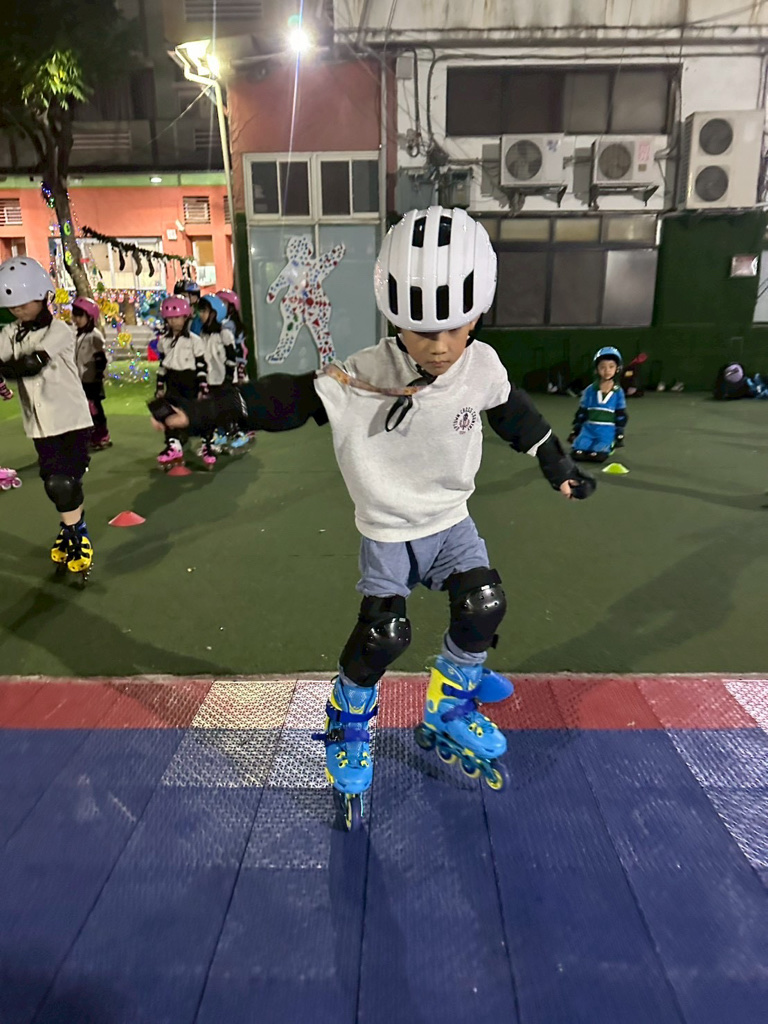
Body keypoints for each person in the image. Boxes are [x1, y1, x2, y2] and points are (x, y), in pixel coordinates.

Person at [151, 206, 595, 828]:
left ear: (476, 314)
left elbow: (516, 416)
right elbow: (289, 400)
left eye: (454, 328)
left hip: (451, 521)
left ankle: (450, 699)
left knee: (484, 604)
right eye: (420, 331)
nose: (439, 347)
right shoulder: (364, 374)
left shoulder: (482, 366)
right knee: (384, 635)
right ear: (394, 317)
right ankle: (347, 717)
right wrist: (204, 413)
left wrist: (559, 466)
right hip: (389, 533)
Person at [0, 257, 95, 579]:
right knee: (56, 485)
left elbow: (31, 365)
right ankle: (70, 527)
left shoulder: (60, 331)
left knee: (62, 483)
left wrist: (4, 368)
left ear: (43, 296)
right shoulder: (10, 333)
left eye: (23, 303)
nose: (17, 310)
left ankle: (77, 534)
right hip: (39, 425)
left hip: (71, 421)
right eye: (12, 306)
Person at [155, 295, 207, 469]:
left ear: (186, 317)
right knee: (169, 414)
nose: (173, 322)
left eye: (177, 317)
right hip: (172, 380)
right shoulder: (164, 341)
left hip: (189, 380)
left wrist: (203, 386)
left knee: (191, 415)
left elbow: (201, 365)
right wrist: (159, 386)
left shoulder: (194, 340)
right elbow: (163, 365)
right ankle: (173, 445)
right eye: (169, 318)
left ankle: (206, 442)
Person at [196, 293, 236, 467]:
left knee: (223, 411)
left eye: (204, 311)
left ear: (215, 313)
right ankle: (211, 441)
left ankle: (226, 437)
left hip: (223, 379)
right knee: (209, 411)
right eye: (200, 310)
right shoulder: (203, 334)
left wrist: (229, 378)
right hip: (209, 379)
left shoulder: (224, 334)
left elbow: (232, 357)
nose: (201, 314)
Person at [569, 346, 628, 463]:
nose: (607, 371)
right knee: (578, 453)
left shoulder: (618, 391)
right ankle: (586, 443)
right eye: (602, 367)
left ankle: (608, 445)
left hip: (607, 430)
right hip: (588, 428)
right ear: (596, 369)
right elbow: (582, 410)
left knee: (597, 456)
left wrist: (619, 432)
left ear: (617, 368)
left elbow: (621, 414)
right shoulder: (590, 390)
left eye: (611, 366)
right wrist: (576, 428)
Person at [71, 296, 110, 450]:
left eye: (80, 316)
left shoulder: (94, 335)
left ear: (90, 317)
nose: (76, 319)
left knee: (94, 409)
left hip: (92, 379)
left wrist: (98, 376)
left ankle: (102, 435)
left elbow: (101, 358)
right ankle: (89, 436)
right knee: (83, 409)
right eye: (75, 315)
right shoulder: (76, 335)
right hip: (79, 379)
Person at [216, 288, 253, 449]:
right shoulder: (221, 324)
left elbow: (241, 350)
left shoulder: (230, 326)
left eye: (223, 303)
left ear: (231, 306)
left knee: (236, 400)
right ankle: (227, 431)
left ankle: (243, 431)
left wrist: (240, 368)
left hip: (235, 368)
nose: (219, 307)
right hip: (224, 368)